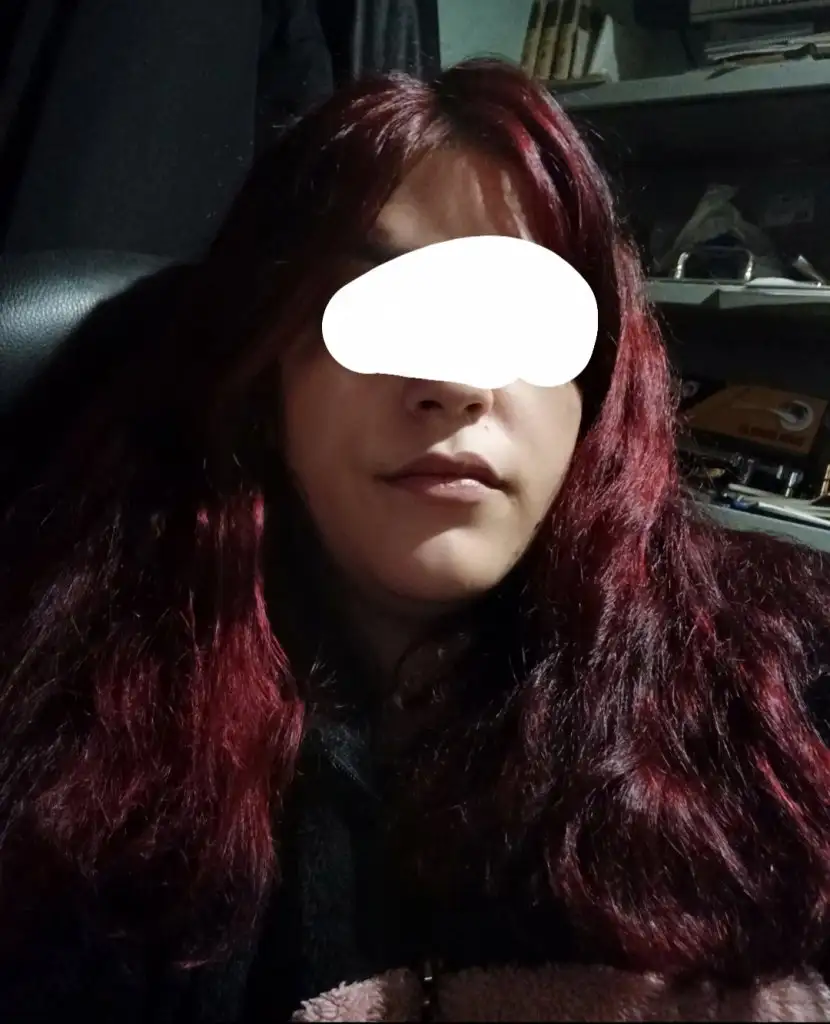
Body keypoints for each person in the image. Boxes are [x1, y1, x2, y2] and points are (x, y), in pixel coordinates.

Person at [1, 57, 830, 1023]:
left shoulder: (781, 688)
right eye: (370, 302)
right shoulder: (74, 756)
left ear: (598, 389)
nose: (452, 383)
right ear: (265, 375)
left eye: (518, 317)